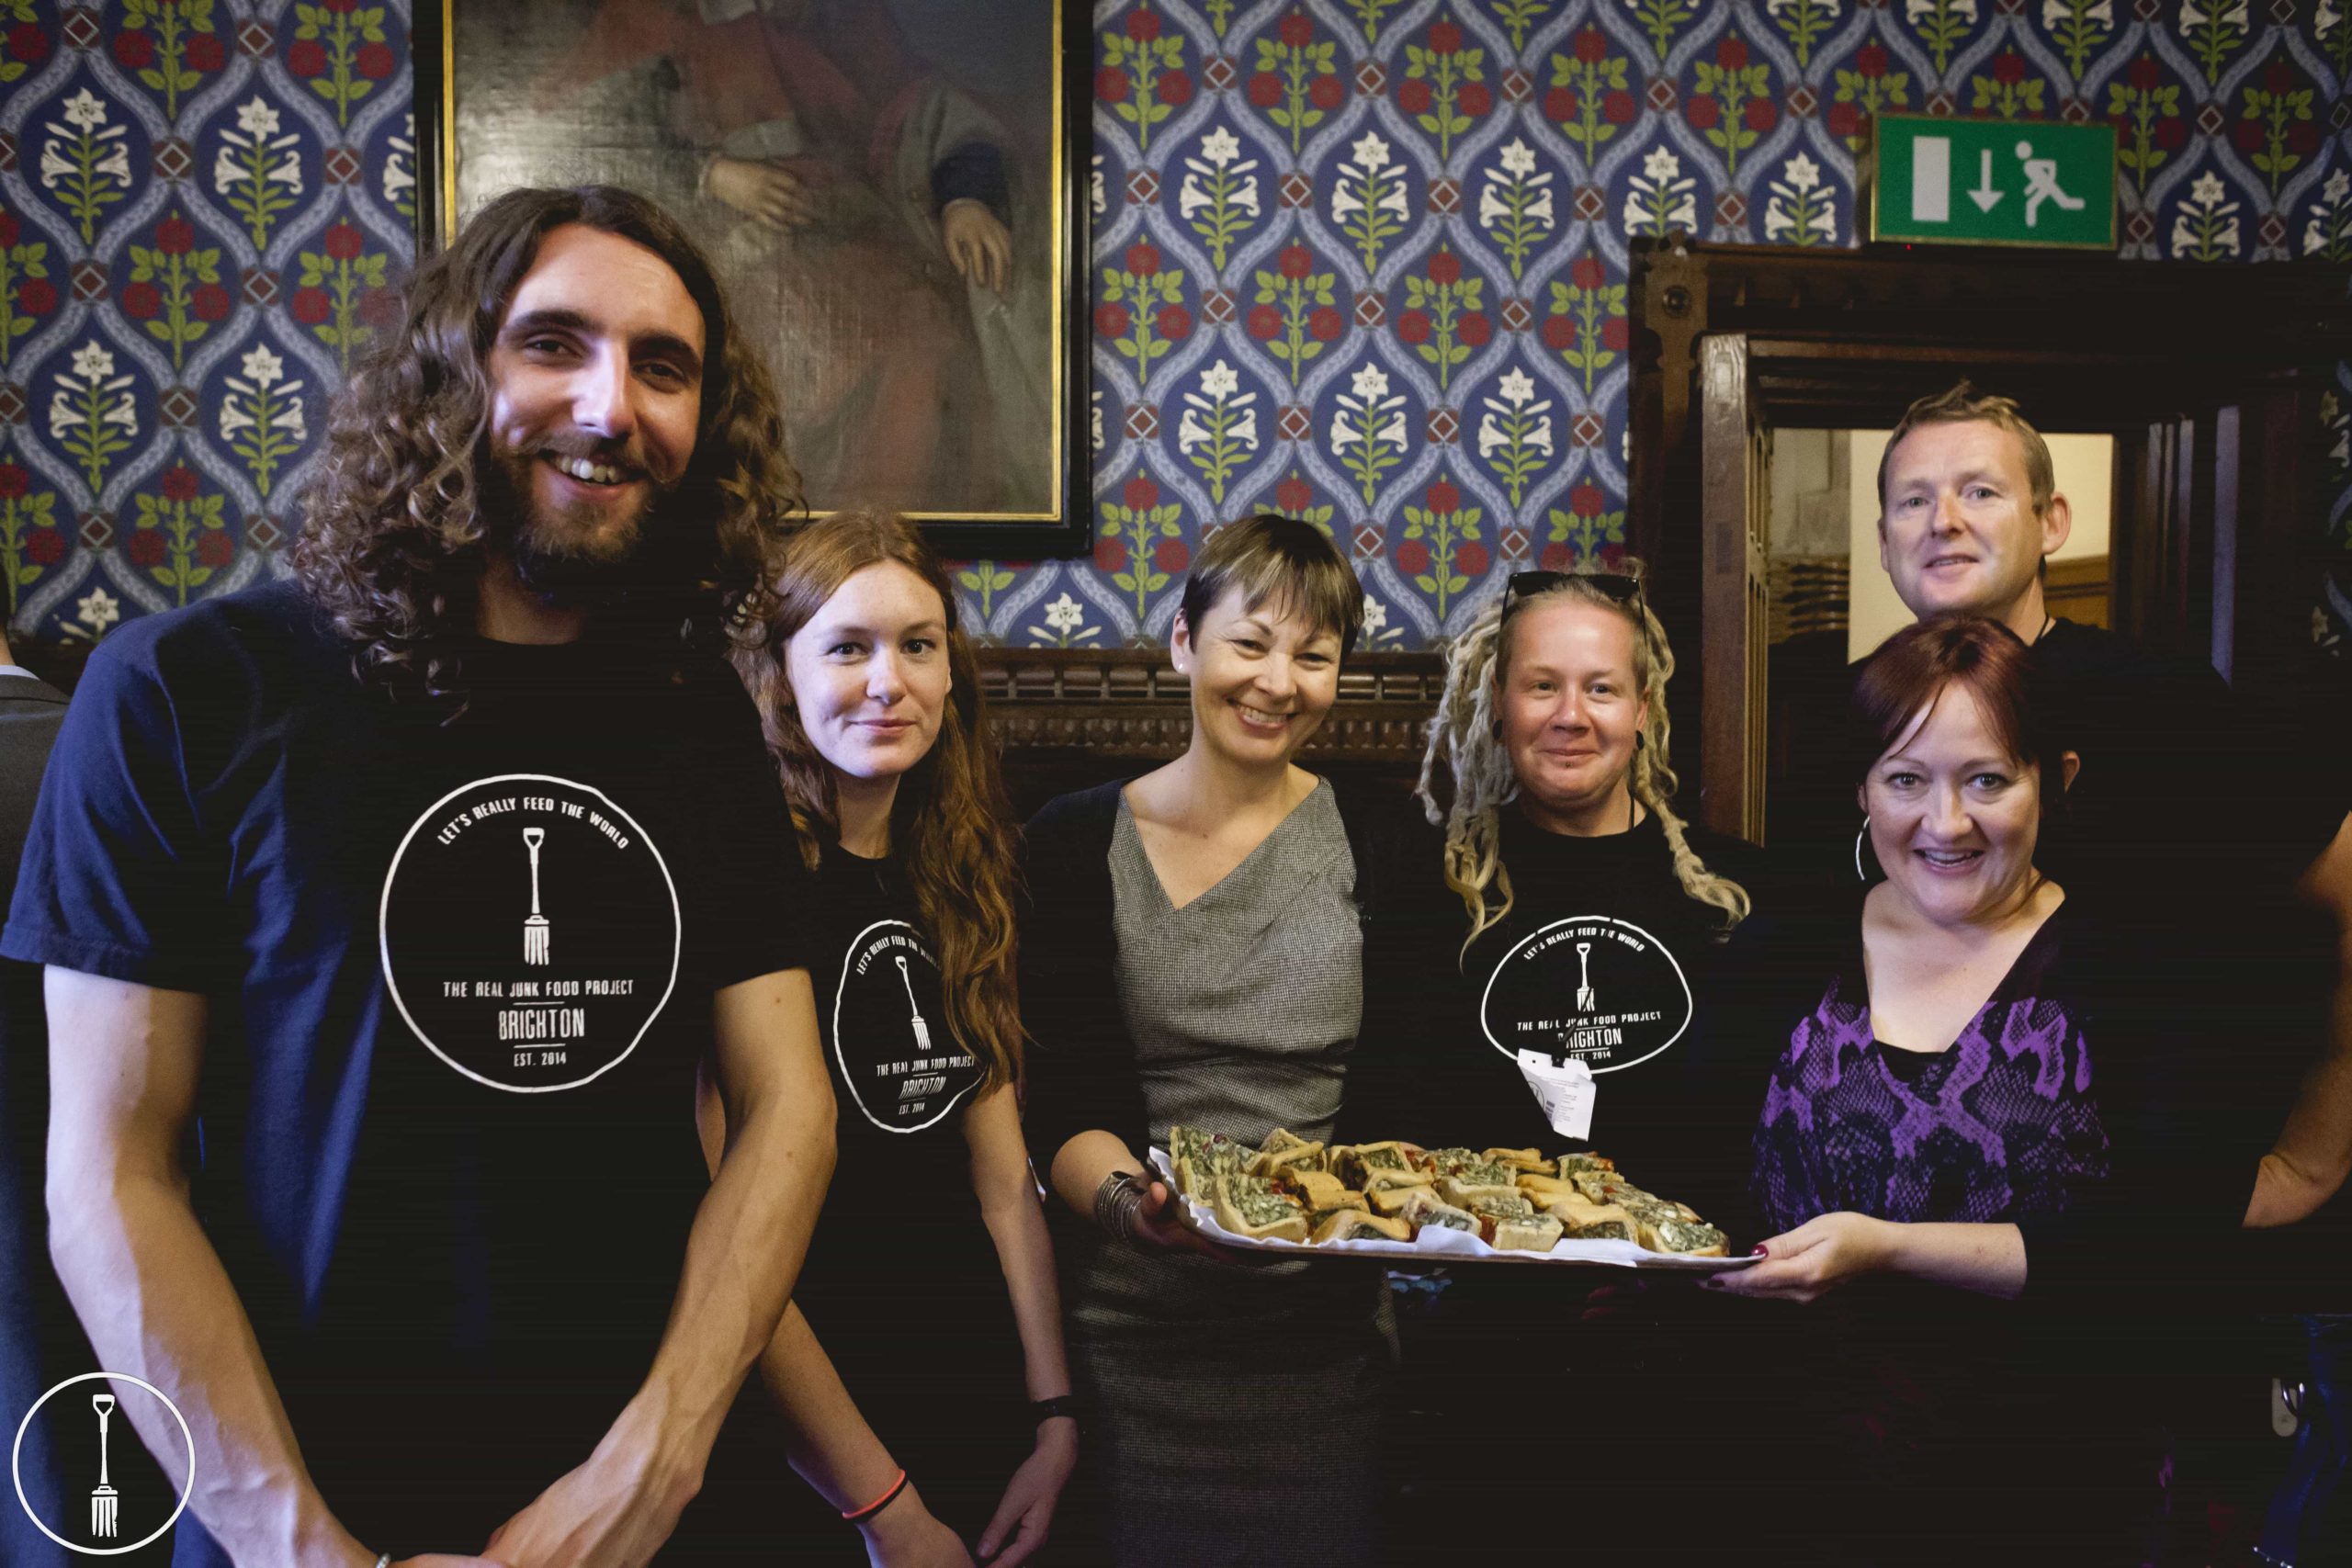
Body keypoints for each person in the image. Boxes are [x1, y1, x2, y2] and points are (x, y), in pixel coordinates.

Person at [5, 186, 835, 1568]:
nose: (610, 402)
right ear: (453, 372)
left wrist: (654, 1463)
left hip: (650, 1517)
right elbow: (108, 1168)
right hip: (280, 1507)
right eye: (553, 342)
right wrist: (301, 1542)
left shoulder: (700, 721)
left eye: (665, 365)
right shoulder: (187, 690)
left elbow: (789, 1101)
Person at [1704, 614, 2308, 1561]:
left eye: (1986, 779)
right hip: (1785, 1485)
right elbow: (1699, 1186)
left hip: (2057, 1493)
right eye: (1906, 780)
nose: (1945, 823)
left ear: (2053, 781)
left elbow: (2162, 1248)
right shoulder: (1778, 947)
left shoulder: (2146, 970)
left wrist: (1889, 1248)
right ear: (1862, 791)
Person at [1017, 515, 1417, 1567]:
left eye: (1314, 656)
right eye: (1250, 643)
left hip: (1323, 1349)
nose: (1277, 681)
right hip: (1126, 1337)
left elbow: (1409, 1102)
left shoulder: (1384, 842)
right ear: (1184, 642)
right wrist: (1130, 1210)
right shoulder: (1068, 840)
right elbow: (1053, 1099)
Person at [1347, 564, 1763, 1560]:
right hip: (1473, 1388)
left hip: (1694, 1384)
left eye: (1600, 687)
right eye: (1541, 685)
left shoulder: (1737, 899)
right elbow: (1380, 1125)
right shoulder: (1427, 887)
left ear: (1643, 706)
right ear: (1498, 702)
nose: (1569, 715)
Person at [710, 509, 1073, 1564]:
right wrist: (883, 1508)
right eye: (848, 647)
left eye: (919, 646)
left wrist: (1052, 1420)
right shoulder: (740, 891)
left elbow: (1004, 1186)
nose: (890, 682)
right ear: (777, 672)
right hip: (806, 1448)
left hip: (973, 1407)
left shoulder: (965, 875)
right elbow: (726, 1235)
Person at [539, 0, 1052, 513]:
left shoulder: (842, 22)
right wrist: (711, 174)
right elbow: (584, 134)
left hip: (838, 237)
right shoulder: (649, 17)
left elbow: (920, 108)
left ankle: (879, 528)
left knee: (927, 327)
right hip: (701, 261)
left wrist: (964, 195)